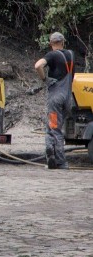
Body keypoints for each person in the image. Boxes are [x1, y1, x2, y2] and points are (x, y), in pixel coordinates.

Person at [34, 32, 75, 169]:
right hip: (67, 99)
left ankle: (59, 160)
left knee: (53, 128)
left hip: (55, 99)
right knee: (54, 126)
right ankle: (51, 155)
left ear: (51, 44)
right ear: (63, 42)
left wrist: (44, 79)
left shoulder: (52, 55)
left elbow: (38, 65)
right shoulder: (70, 54)